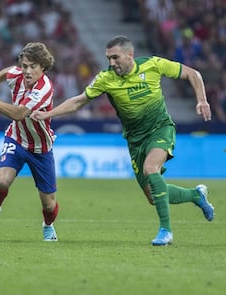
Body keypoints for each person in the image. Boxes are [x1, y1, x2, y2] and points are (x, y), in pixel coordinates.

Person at [31, 35, 215, 246]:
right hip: (135, 140)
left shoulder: (153, 65)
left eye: (115, 57)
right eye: (108, 58)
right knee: (154, 197)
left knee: (151, 169)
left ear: (130, 54)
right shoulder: (105, 78)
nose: (111, 63)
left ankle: (166, 231)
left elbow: (193, 74)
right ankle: (195, 195)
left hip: (160, 129)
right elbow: (79, 101)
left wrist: (201, 100)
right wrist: (48, 114)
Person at [0, 42, 58, 241]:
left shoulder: (44, 89)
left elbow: (18, 114)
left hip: (40, 148)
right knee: (2, 182)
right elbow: (8, 71)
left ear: (42, 66)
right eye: (25, 65)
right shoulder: (17, 74)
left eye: (33, 66)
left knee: (49, 205)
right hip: (16, 139)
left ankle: (48, 225)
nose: (27, 70)